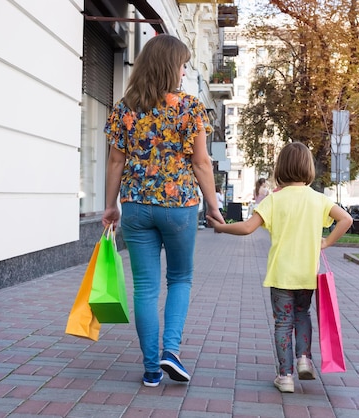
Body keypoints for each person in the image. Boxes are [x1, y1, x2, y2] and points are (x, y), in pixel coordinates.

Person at [102, 34, 224, 388]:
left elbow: (115, 161)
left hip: (137, 207)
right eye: (183, 64)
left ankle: (152, 368)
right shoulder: (189, 107)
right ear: (171, 66)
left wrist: (110, 206)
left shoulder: (124, 107)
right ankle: (171, 351)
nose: (185, 70)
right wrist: (213, 207)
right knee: (180, 279)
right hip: (179, 206)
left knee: (145, 287)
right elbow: (201, 162)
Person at [206, 142, 353, 393]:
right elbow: (346, 219)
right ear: (308, 168)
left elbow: (247, 228)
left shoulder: (275, 200)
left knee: (283, 322)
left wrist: (221, 228)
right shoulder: (318, 199)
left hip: (281, 274)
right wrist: (326, 241)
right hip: (307, 273)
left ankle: (285, 376)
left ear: (281, 168)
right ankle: (304, 359)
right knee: (303, 314)